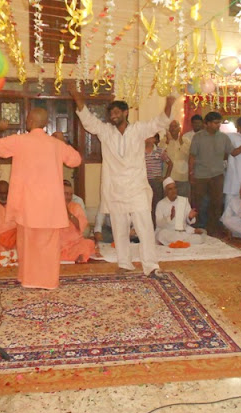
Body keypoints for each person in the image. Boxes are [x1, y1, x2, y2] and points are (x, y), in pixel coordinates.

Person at [69, 87, 174, 278]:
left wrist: (169, 103)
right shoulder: (106, 132)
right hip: (115, 189)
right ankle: (125, 263)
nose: (113, 116)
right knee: (120, 230)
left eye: (117, 112)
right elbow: (88, 120)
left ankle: (151, 266)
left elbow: (159, 122)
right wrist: (77, 97)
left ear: (126, 113)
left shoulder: (138, 130)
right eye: (111, 113)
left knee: (145, 228)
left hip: (137, 188)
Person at [0, 108, 82, 289]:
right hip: (50, 208)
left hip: (26, 207)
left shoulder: (19, 141)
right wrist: (63, 142)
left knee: (27, 247)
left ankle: (29, 281)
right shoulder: (56, 145)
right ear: (44, 124)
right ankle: (49, 282)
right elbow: (76, 160)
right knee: (49, 248)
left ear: (30, 121)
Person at [189, 111, 233, 235]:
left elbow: (231, 152)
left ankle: (213, 228)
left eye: (219, 123)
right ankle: (200, 227)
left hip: (217, 175)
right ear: (207, 124)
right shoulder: (198, 137)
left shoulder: (224, 137)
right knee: (199, 203)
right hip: (200, 176)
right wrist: (191, 174)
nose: (218, 125)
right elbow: (192, 156)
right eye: (215, 123)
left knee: (216, 203)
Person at [155, 177, 206, 246]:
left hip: (182, 231)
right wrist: (169, 217)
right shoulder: (160, 204)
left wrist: (190, 217)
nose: (173, 191)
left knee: (199, 238)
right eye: (170, 189)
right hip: (168, 231)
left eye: (175, 188)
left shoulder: (183, 201)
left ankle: (176, 242)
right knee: (161, 235)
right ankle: (180, 241)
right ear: (165, 191)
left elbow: (189, 222)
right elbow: (159, 224)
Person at [60, 181, 96, 263]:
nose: (69, 197)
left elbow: (80, 226)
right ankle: (76, 256)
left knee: (88, 243)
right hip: (58, 243)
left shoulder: (76, 207)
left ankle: (77, 255)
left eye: (70, 194)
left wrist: (69, 214)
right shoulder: (52, 207)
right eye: (66, 194)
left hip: (74, 243)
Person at [145, 134, 172, 224]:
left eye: (150, 137)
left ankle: (156, 226)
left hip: (156, 182)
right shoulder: (140, 151)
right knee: (145, 206)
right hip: (144, 183)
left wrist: (165, 178)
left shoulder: (160, 151)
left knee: (156, 205)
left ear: (154, 139)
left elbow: (170, 164)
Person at [161, 120, 191, 197]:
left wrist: (181, 143)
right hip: (169, 176)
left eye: (175, 126)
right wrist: (167, 142)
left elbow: (189, 154)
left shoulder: (186, 141)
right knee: (168, 201)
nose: (173, 128)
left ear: (179, 128)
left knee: (183, 201)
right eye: (171, 126)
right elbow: (161, 155)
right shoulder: (164, 141)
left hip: (182, 177)